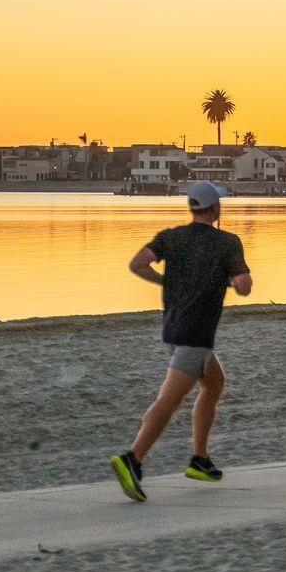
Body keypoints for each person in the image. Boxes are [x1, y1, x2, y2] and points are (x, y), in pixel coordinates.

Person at [109, 181, 253, 501]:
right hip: (195, 335)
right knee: (169, 400)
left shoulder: (171, 237)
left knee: (214, 383)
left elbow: (137, 264)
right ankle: (133, 458)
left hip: (173, 329)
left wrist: (164, 280)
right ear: (214, 208)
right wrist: (235, 279)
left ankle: (200, 459)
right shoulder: (227, 243)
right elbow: (244, 286)